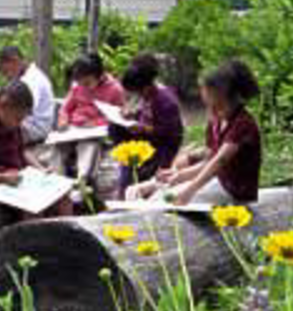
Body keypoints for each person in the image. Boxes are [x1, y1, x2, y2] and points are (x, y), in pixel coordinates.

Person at [128, 60, 262, 205]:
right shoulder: (216, 121)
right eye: (209, 107)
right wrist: (178, 175)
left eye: (218, 107)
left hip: (235, 192)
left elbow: (219, 162)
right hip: (218, 184)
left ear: (234, 99)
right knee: (146, 193)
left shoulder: (243, 123)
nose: (213, 112)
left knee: (166, 200)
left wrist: (188, 191)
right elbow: (209, 161)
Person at [0, 80, 71, 218]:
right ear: (1, 106)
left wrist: (40, 169)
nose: (20, 122)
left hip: (17, 179)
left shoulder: (11, 121)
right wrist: (1, 178)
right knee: (33, 208)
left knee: (64, 197)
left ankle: (68, 237)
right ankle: (33, 238)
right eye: (18, 118)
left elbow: (22, 151)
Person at [110, 53, 183, 194]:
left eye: (138, 91)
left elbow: (170, 133)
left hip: (162, 147)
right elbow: (144, 114)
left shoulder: (166, 101)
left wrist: (144, 129)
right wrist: (131, 116)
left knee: (129, 181)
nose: (137, 95)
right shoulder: (147, 95)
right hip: (145, 139)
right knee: (114, 127)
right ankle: (126, 170)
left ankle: (130, 179)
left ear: (147, 85)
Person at [55, 52, 126, 187]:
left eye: (87, 83)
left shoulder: (115, 89)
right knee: (57, 148)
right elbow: (65, 108)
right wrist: (63, 120)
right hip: (73, 130)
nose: (83, 86)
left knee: (89, 147)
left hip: (94, 134)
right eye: (80, 82)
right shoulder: (77, 87)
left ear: (99, 75)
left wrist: (95, 123)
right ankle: (56, 182)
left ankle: (82, 184)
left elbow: (119, 117)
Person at [0, 45, 55, 145]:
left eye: (6, 72)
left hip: (36, 128)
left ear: (15, 61)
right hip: (27, 122)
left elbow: (21, 109)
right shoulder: (25, 77)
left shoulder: (32, 79)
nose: (6, 77)